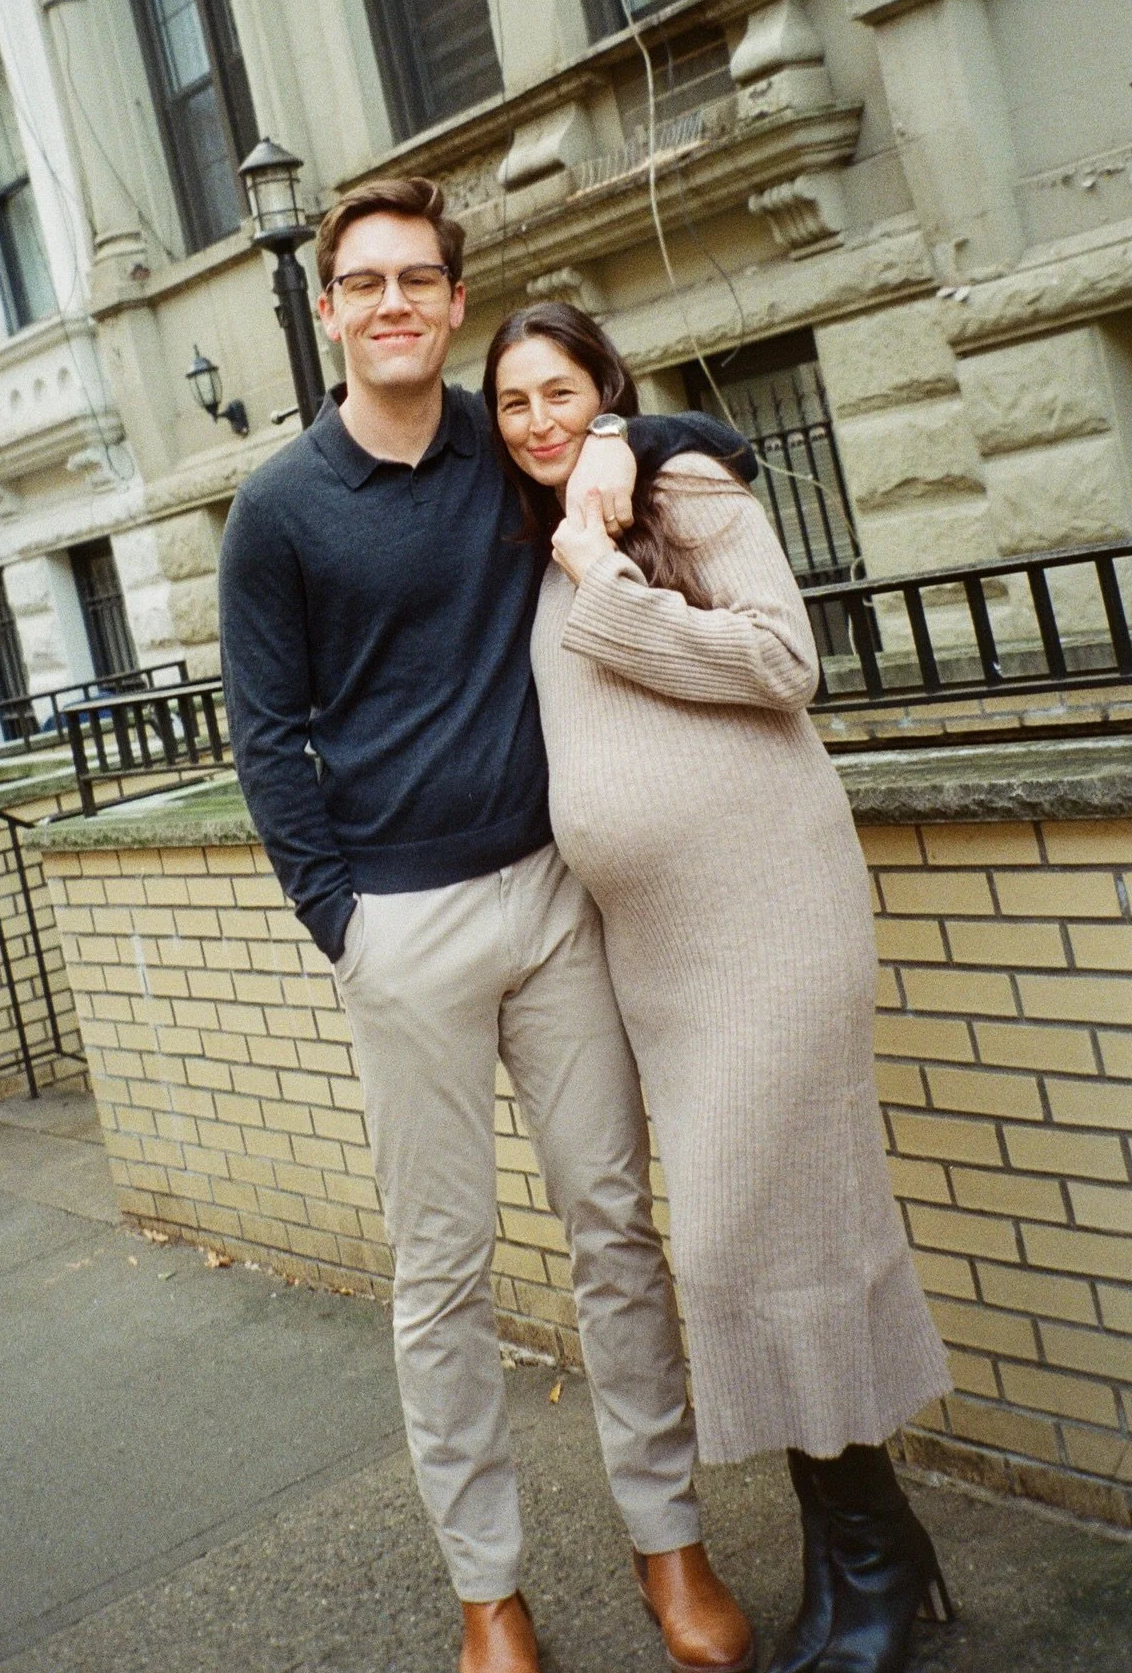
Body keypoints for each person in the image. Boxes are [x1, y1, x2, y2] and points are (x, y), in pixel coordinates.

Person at [220, 179, 758, 1673]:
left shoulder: (498, 446)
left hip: (549, 896)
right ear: (327, 310)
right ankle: (489, 1592)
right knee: (442, 1273)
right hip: (400, 926)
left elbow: (608, 434)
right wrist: (345, 924)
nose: (392, 301)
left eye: (418, 279)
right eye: (362, 281)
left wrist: (695, 436)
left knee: (613, 1231)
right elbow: (267, 739)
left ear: (454, 301)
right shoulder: (280, 509)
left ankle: (671, 1545)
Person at [485, 300, 955, 1673]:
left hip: (770, 913)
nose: (537, 420)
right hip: (660, 959)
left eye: (562, 390)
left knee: (768, 1233)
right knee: (752, 1244)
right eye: (512, 402)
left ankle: (872, 1557)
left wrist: (612, 582)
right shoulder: (535, 537)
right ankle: (862, 1546)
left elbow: (783, 662)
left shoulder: (674, 497)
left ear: (601, 386)